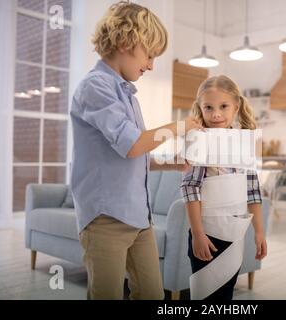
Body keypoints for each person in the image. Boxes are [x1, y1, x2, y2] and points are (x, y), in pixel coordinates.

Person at [70, 1, 202, 300]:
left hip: (139, 219)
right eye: (150, 54)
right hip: (105, 219)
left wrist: (170, 162)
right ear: (125, 41)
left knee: (153, 295)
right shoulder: (95, 87)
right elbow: (132, 145)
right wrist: (180, 126)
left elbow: (133, 152)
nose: (152, 65)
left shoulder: (127, 94)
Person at [180, 75, 267, 300]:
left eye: (223, 106)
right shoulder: (198, 141)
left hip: (234, 234)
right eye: (208, 107)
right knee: (206, 296)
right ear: (200, 107)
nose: (216, 114)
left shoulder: (243, 143)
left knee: (225, 295)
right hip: (207, 234)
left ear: (236, 107)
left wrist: (259, 231)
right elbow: (190, 188)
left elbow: (253, 190)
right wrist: (198, 234)